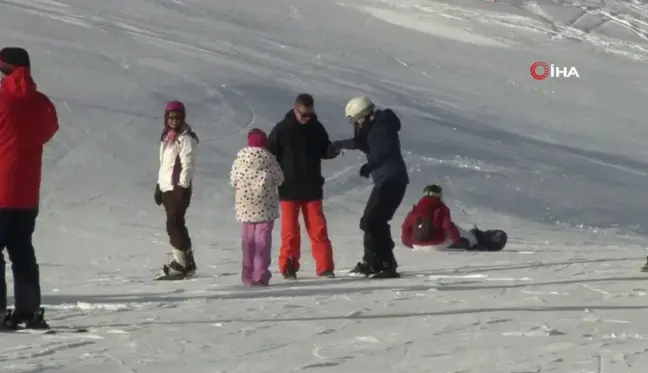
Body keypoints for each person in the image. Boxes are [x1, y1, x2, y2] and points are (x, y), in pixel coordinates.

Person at [0, 47, 59, 330]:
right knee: (22, 250)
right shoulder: (41, 103)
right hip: (27, 192)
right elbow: (49, 129)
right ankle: (28, 311)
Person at [332, 96, 408, 278]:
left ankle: (383, 263)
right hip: (388, 180)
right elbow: (361, 142)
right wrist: (339, 144)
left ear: (364, 116)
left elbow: (384, 150)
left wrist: (370, 165)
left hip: (392, 180)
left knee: (372, 221)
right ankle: (375, 261)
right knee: (372, 221)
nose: (356, 124)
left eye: (356, 120)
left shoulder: (380, 128)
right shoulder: (374, 126)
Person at [267, 93, 340, 279]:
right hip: (289, 189)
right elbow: (269, 154)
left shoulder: (317, 128)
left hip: (312, 188)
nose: (307, 118)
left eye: (310, 114)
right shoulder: (282, 129)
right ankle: (289, 268)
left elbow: (325, 150)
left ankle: (325, 268)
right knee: (290, 233)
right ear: (295, 110)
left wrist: (334, 150)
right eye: (303, 115)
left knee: (319, 230)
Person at [230, 128, 284, 286]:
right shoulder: (270, 159)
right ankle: (260, 274)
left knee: (248, 242)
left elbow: (233, 180)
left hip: (245, 208)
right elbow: (279, 179)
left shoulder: (239, 159)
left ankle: (247, 275)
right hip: (265, 208)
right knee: (263, 241)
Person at [154, 101, 199, 278]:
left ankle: (181, 263)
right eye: (171, 117)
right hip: (167, 187)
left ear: (183, 118)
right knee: (176, 224)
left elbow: (187, 164)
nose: (174, 120)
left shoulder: (186, 138)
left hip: (178, 188)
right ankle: (187, 261)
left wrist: (182, 186)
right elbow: (165, 165)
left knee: (174, 224)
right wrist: (159, 185)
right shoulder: (167, 137)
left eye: (177, 117)